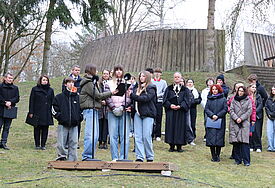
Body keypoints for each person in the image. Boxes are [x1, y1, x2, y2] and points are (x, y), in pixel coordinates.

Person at [80, 64, 117, 161]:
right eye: (95, 70)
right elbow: (97, 95)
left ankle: (91, 156)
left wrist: (100, 101)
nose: (97, 72)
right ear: (91, 71)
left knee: (95, 135)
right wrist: (111, 93)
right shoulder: (88, 83)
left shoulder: (92, 82)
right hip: (89, 110)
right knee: (90, 134)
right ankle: (87, 156)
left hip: (95, 109)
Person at [105, 65, 131, 161]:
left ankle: (123, 157)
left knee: (124, 135)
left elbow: (129, 97)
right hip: (112, 111)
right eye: (117, 70)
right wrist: (113, 108)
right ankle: (115, 157)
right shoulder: (108, 83)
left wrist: (122, 106)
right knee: (113, 136)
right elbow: (107, 97)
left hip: (124, 111)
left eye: (120, 70)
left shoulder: (127, 83)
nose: (119, 72)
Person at [52, 77, 82, 161]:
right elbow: (54, 109)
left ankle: (72, 159)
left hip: (75, 124)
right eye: (69, 82)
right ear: (65, 84)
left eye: (73, 82)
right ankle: (61, 157)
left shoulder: (77, 97)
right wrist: (60, 117)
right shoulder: (59, 97)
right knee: (61, 142)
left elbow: (81, 109)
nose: (71, 84)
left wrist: (79, 118)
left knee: (74, 142)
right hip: (63, 123)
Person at [130, 71, 157, 162]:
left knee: (146, 136)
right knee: (137, 136)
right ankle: (139, 157)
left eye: (143, 76)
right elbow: (134, 101)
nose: (141, 78)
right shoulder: (136, 88)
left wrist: (132, 96)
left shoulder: (151, 88)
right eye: (140, 76)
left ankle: (149, 156)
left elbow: (146, 98)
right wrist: (131, 107)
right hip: (137, 114)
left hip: (148, 114)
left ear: (147, 77)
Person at [163, 72, 193, 152]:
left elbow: (187, 100)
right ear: (173, 78)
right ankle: (171, 146)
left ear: (181, 78)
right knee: (171, 127)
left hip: (181, 112)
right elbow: (165, 100)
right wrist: (170, 105)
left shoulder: (185, 89)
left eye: (178, 77)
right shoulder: (169, 88)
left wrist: (181, 106)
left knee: (180, 128)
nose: (177, 78)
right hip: (171, 112)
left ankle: (179, 146)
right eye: (175, 77)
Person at [28, 75, 54, 150]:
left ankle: (43, 145)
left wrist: (52, 111)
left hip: (47, 112)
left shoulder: (50, 90)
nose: (45, 81)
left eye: (46, 80)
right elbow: (31, 101)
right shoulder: (35, 89)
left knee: (45, 129)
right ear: (40, 81)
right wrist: (31, 112)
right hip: (37, 112)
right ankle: (37, 144)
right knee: (37, 128)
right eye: (43, 80)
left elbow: (53, 101)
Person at [229, 86, 252, 166]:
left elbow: (249, 111)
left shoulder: (248, 100)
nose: (240, 92)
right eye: (239, 91)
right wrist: (236, 118)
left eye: (242, 91)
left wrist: (241, 118)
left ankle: (246, 161)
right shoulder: (234, 100)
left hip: (244, 123)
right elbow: (231, 110)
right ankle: (237, 160)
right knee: (236, 142)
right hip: (235, 123)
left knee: (244, 143)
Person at [205, 84, 227, 162]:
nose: (214, 91)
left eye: (216, 89)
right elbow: (206, 109)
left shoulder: (223, 99)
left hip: (220, 121)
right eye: (213, 89)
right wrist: (212, 115)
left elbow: (225, 109)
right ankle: (213, 155)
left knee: (219, 139)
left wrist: (218, 115)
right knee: (211, 139)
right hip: (211, 120)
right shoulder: (209, 99)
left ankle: (218, 154)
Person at [0, 73, 20, 150]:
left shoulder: (15, 88)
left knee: (7, 127)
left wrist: (10, 102)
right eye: (9, 78)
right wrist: (5, 102)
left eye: (11, 78)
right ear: (5, 78)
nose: (10, 79)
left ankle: (3, 142)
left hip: (10, 109)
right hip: (1, 108)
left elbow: (17, 98)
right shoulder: (0, 86)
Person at [151, 68, 167, 141]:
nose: (157, 74)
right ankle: (151, 133)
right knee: (151, 118)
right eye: (156, 72)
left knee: (158, 118)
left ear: (161, 74)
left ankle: (158, 134)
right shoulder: (151, 81)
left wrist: (159, 95)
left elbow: (165, 92)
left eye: (159, 72)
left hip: (159, 101)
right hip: (151, 101)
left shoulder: (163, 82)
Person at [247, 84, 263, 152]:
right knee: (251, 131)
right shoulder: (247, 96)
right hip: (248, 116)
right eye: (252, 87)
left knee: (257, 131)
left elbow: (260, 105)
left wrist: (254, 111)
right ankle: (251, 145)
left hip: (257, 116)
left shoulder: (258, 96)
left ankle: (258, 146)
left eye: (255, 87)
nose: (254, 88)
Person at [186, 79, 201, 145]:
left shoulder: (196, 91)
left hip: (193, 109)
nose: (190, 83)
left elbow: (199, 99)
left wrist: (194, 102)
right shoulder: (184, 90)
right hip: (186, 109)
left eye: (191, 82)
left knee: (192, 123)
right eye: (188, 82)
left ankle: (192, 137)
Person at [98, 69, 110, 149]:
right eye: (104, 73)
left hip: (108, 106)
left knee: (106, 124)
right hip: (100, 106)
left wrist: (107, 102)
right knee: (100, 124)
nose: (105, 75)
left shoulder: (111, 83)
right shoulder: (99, 84)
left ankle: (105, 141)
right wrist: (100, 101)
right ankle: (100, 141)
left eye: (107, 74)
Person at [201, 77, 214, 142]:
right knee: (206, 121)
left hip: (214, 109)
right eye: (209, 81)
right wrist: (206, 107)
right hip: (207, 109)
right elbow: (202, 100)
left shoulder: (215, 90)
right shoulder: (204, 91)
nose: (210, 82)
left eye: (211, 81)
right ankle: (207, 135)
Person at [265, 86, 275, 152]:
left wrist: (273, 113)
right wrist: (269, 113)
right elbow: (266, 107)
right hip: (270, 117)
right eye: (272, 90)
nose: (273, 91)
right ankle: (270, 146)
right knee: (269, 132)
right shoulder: (269, 99)